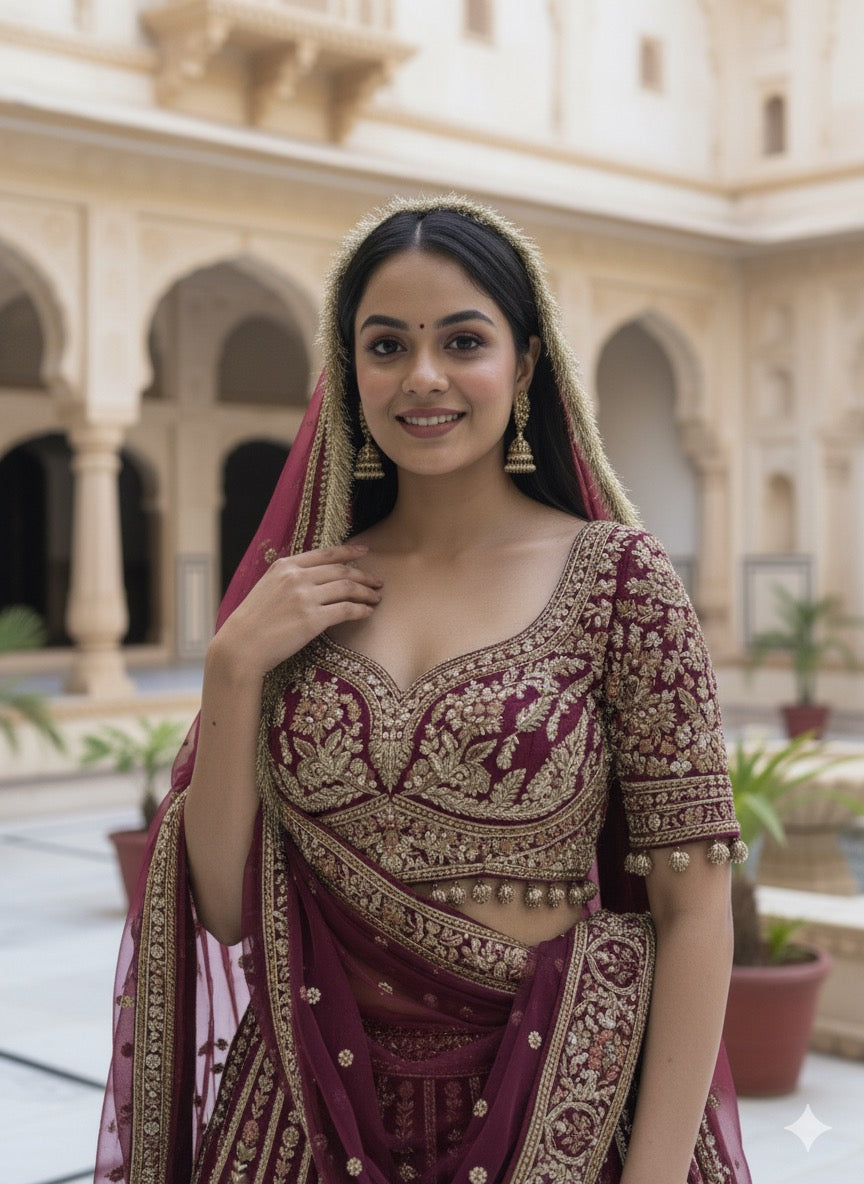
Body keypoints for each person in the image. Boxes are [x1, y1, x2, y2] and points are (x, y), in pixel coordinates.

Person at [95, 195, 752, 1184]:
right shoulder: (303, 596)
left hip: (552, 1109)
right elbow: (232, 912)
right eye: (387, 344)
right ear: (349, 370)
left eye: (463, 340)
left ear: (526, 364)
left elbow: (694, 908)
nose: (424, 376)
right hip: (304, 1115)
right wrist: (233, 668)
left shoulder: (621, 580)